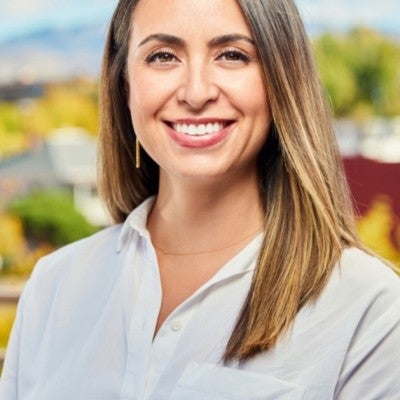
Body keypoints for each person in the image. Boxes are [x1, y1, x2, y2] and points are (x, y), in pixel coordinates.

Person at [1, 0, 400, 398]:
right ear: (124, 84)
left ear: (283, 79)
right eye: (162, 56)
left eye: (232, 55)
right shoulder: (53, 288)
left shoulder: (369, 310)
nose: (196, 93)